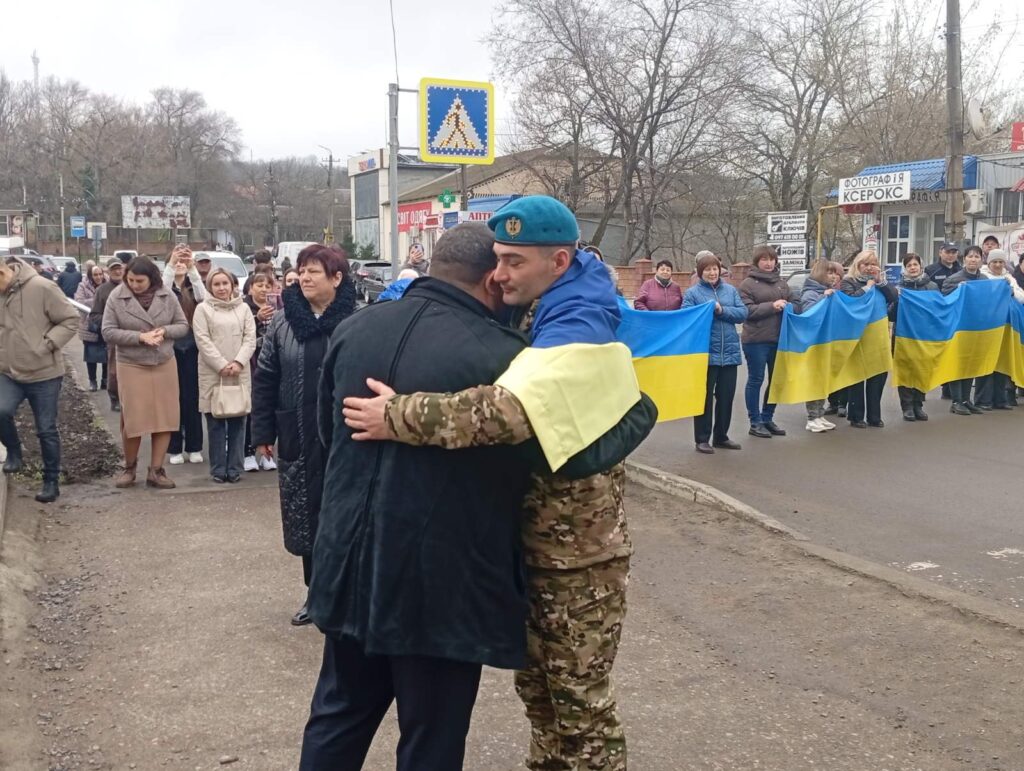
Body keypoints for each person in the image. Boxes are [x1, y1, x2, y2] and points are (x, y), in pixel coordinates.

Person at [342, 196, 651, 771]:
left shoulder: (579, 319)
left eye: (513, 261)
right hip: (535, 545)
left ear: (559, 261)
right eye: (498, 259)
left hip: (578, 558)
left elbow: (512, 411)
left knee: (580, 707)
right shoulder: (540, 302)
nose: (499, 274)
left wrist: (399, 415)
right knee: (541, 697)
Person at [300, 224, 539, 769]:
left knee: (338, 716)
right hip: (443, 582)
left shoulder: (356, 329)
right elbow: (524, 472)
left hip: (351, 563)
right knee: (432, 737)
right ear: (491, 280)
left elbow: (326, 437)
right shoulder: (506, 356)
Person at [251, 244, 356, 625]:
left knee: (346, 513)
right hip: (297, 431)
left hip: (346, 437)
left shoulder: (357, 320)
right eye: (302, 270)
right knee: (307, 515)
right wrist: (262, 431)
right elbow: (266, 377)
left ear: (336, 278)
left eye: (314, 271)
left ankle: (349, 593)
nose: (304, 277)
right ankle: (316, 594)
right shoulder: (283, 322)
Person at [101, 256, 189, 489]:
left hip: (163, 362)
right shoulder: (117, 297)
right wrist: (139, 337)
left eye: (140, 281)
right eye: (130, 280)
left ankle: (156, 470)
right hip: (132, 364)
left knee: (165, 417)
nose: (134, 284)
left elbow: (183, 326)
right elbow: (107, 331)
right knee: (134, 418)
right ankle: (129, 468)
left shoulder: (167, 295)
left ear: (152, 279)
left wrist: (164, 331)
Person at [0, 256, 79, 503]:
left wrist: (46, 345)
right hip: (8, 371)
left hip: (44, 373)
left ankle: (51, 481)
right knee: (1, 410)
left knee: (46, 429)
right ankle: (14, 451)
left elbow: (70, 319)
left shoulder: (42, 287)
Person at [192, 267, 257, 483]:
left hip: (239, 371)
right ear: (210, 287)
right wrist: (221, 365)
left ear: (232, 285)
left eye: (225, 283)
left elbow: (250, 338)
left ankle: (235, 468)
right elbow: (202, 340)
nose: (221, 288)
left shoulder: (244, 308)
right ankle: (218, 469)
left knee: (239, 421)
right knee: (216, 422)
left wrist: (238, 362)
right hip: (213, 372)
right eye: (216, 284)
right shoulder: (202, 309)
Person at [683, 252, 747, 452]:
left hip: (729, 353)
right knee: (704, 398)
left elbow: (742, 313)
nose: (712, 273)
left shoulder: (731, 290)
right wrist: (707, 309)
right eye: (707, 270)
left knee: (726, 397)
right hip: (706, 354)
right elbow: (687, 317)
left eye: (715, 269)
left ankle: (721, 436)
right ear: (700, 272)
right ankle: (702, 439)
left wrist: (722, 311)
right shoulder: (692, 294)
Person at [840, 250, 897, 428]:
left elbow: (894, 297)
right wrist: (868, 287)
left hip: (878, 336)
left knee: (878, 376)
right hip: (858, 335)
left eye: (873, 264)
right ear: (858, 265)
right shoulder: (849, 281)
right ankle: (856, 416)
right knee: (857, 376)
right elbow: (850, 301)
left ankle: (874, 415)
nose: (870, 267)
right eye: (866, 264)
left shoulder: (880, 283)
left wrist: (880, 282)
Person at [739, 245, 789, 438]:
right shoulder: (747, 284)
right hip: (756, 340)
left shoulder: (781, 283)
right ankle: (755, 421)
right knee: (756, 380)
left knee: (776, 381)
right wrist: (772, 306)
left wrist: (791, 306)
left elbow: (797, 303)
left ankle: (767, 417)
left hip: (778, 340)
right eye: (764, 259)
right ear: (757, 262)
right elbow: (747, 311)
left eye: (771, 259)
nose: (768, 263)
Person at [163, 246, 206, 467]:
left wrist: (192, 268)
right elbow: (161, 293)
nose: (180, 264)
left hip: (192, 348)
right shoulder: (165, 289)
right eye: (176, 261)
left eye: (183, 261)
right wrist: (171, 265)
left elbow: (204, 298)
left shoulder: (193, 287)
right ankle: (174, 447)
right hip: (170, 349)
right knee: (173, 400)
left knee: (192, 399)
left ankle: (194, 446)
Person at [941, 245, 987, 415]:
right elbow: (944, 301)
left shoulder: (984, 280)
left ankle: (967, 400)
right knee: (957, 363)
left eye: (977, 256)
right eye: (970, 256)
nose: (973, 259)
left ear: (981, 260)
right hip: (958, 328)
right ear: (964, 259)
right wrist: (957, 289)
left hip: (976, 328)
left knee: (971, 362)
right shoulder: (954, 279)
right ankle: (956, 401)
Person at [895, 253, 939, 421]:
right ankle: (907, 406)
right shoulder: (899, 288)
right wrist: (897, 300)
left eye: (915, 264)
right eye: (909, 265)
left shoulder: (932, 286)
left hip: (925, 335)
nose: (912, 268)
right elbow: (891, 314)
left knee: (922, 369)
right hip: (904, 335)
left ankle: (918, 404)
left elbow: (937, 309)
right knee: (906, 370)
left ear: (921, 266)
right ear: (904, 268)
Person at [242, 271, 277, 472]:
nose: (264, 289)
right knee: (252, 407)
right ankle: (248, 452)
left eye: (268, 285)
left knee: (272, 406)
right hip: (252, 361)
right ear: (250, 288)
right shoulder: (244, 307)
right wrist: (257, 318)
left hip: (273, 360)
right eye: (259, 285)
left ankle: (267, 453)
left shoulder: (278, 306)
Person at [977, 248, 1021, 410]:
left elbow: (1021, 297)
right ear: (989, 262)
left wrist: (1011, 290)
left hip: (1005, 327)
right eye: (994, 261)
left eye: (1000, 262)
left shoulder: (1009, 278)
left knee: (1002, 363)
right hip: (987, 327)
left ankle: (1000, 400)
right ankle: (983, 400)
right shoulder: (982, 277)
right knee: (986, 364)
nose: (997, 265)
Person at [798, 260, 839, 433]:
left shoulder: (827, 291)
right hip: (814, 343)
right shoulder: (810, 293)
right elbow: (809, 313)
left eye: (835, 273)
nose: (834, 276)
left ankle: (820, 414)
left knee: (823, 379)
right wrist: (824, 298)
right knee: (814, 380)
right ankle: (812, 417)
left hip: (825, 341)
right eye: (830, 273)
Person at [91, 258, 125, 412]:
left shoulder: (131, 287)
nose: (117, 271)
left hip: (134, 334)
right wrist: (110, 322)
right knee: (114, 371)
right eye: (114, 269)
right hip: (114, 337)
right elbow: (94, 315)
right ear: (108, 271)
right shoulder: (102, 290)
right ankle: (115, 398)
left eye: (119, 268)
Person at [74, 264, 109, 391]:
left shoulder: (108, 285)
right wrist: (97, 299)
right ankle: (92, 381)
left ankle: (105, 380)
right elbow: (79, 302)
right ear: (90, 276)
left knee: (107, 355)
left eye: (100, 274)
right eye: (95, 275)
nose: (98, 277)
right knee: (91, 356)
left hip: (105, 323)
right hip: (89, 325)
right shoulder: (82, 286)